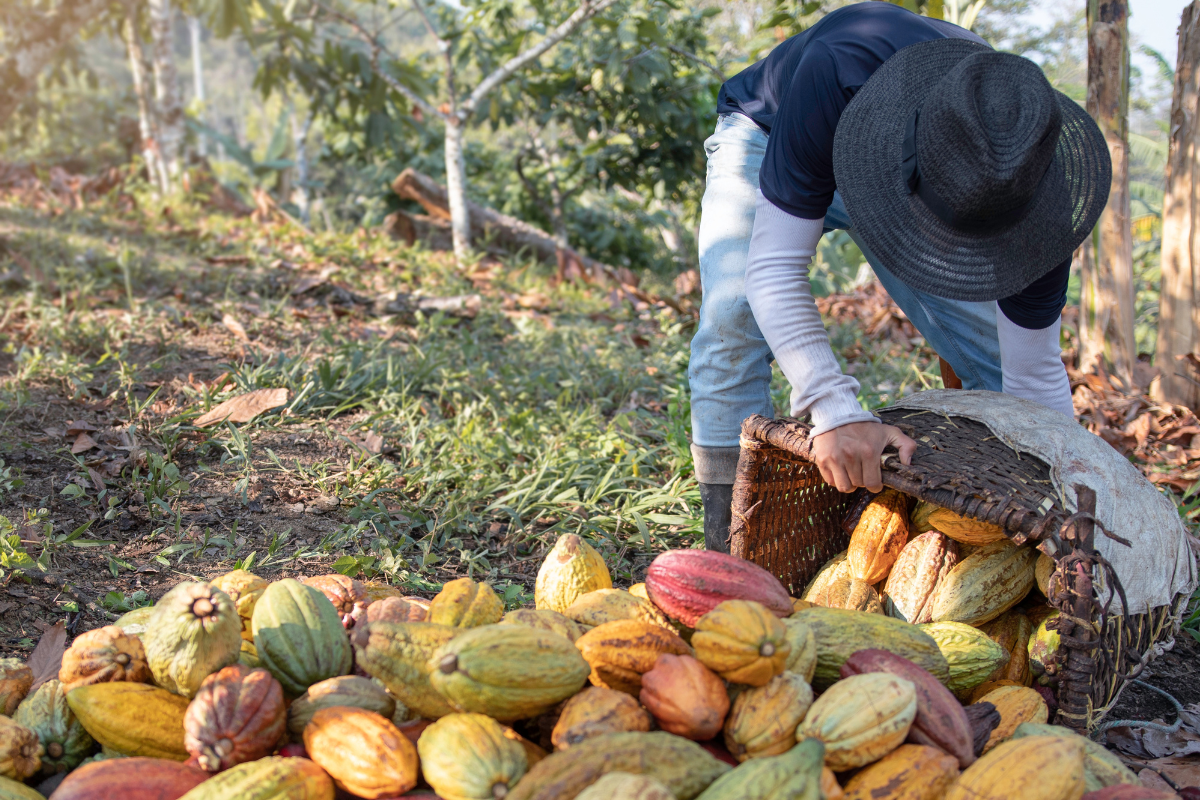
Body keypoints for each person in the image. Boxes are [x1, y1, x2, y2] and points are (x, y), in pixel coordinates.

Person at [689, 2, 1110, 552]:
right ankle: (730, 538)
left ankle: (983, 526)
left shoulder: (1032, 182)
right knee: (732, 319)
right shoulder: (838, 66)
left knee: (994, 360)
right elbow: (773, 270)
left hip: (939, 174)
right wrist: (835, 408)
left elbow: (1032, 376)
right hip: (773, 132)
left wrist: (1076, 494)